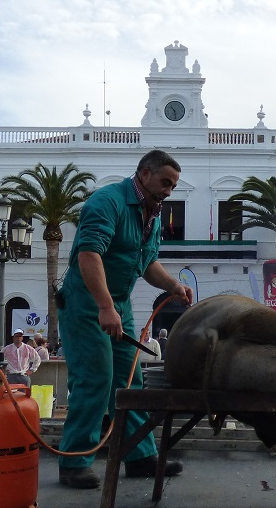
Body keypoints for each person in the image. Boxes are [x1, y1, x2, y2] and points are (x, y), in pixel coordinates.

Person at [55, 149, 193, 489]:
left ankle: (139, 455)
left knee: (131, 381)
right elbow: (89, 255)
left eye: (173, 186)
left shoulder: (153, 215)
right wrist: (104, 306)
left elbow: (146, 264)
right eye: (165, 183)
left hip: (119, 303)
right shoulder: (108, 202)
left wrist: (173, 284)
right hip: (87, 302)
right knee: (95, 378)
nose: (168, 192)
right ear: (144, 174)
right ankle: (74, 461)